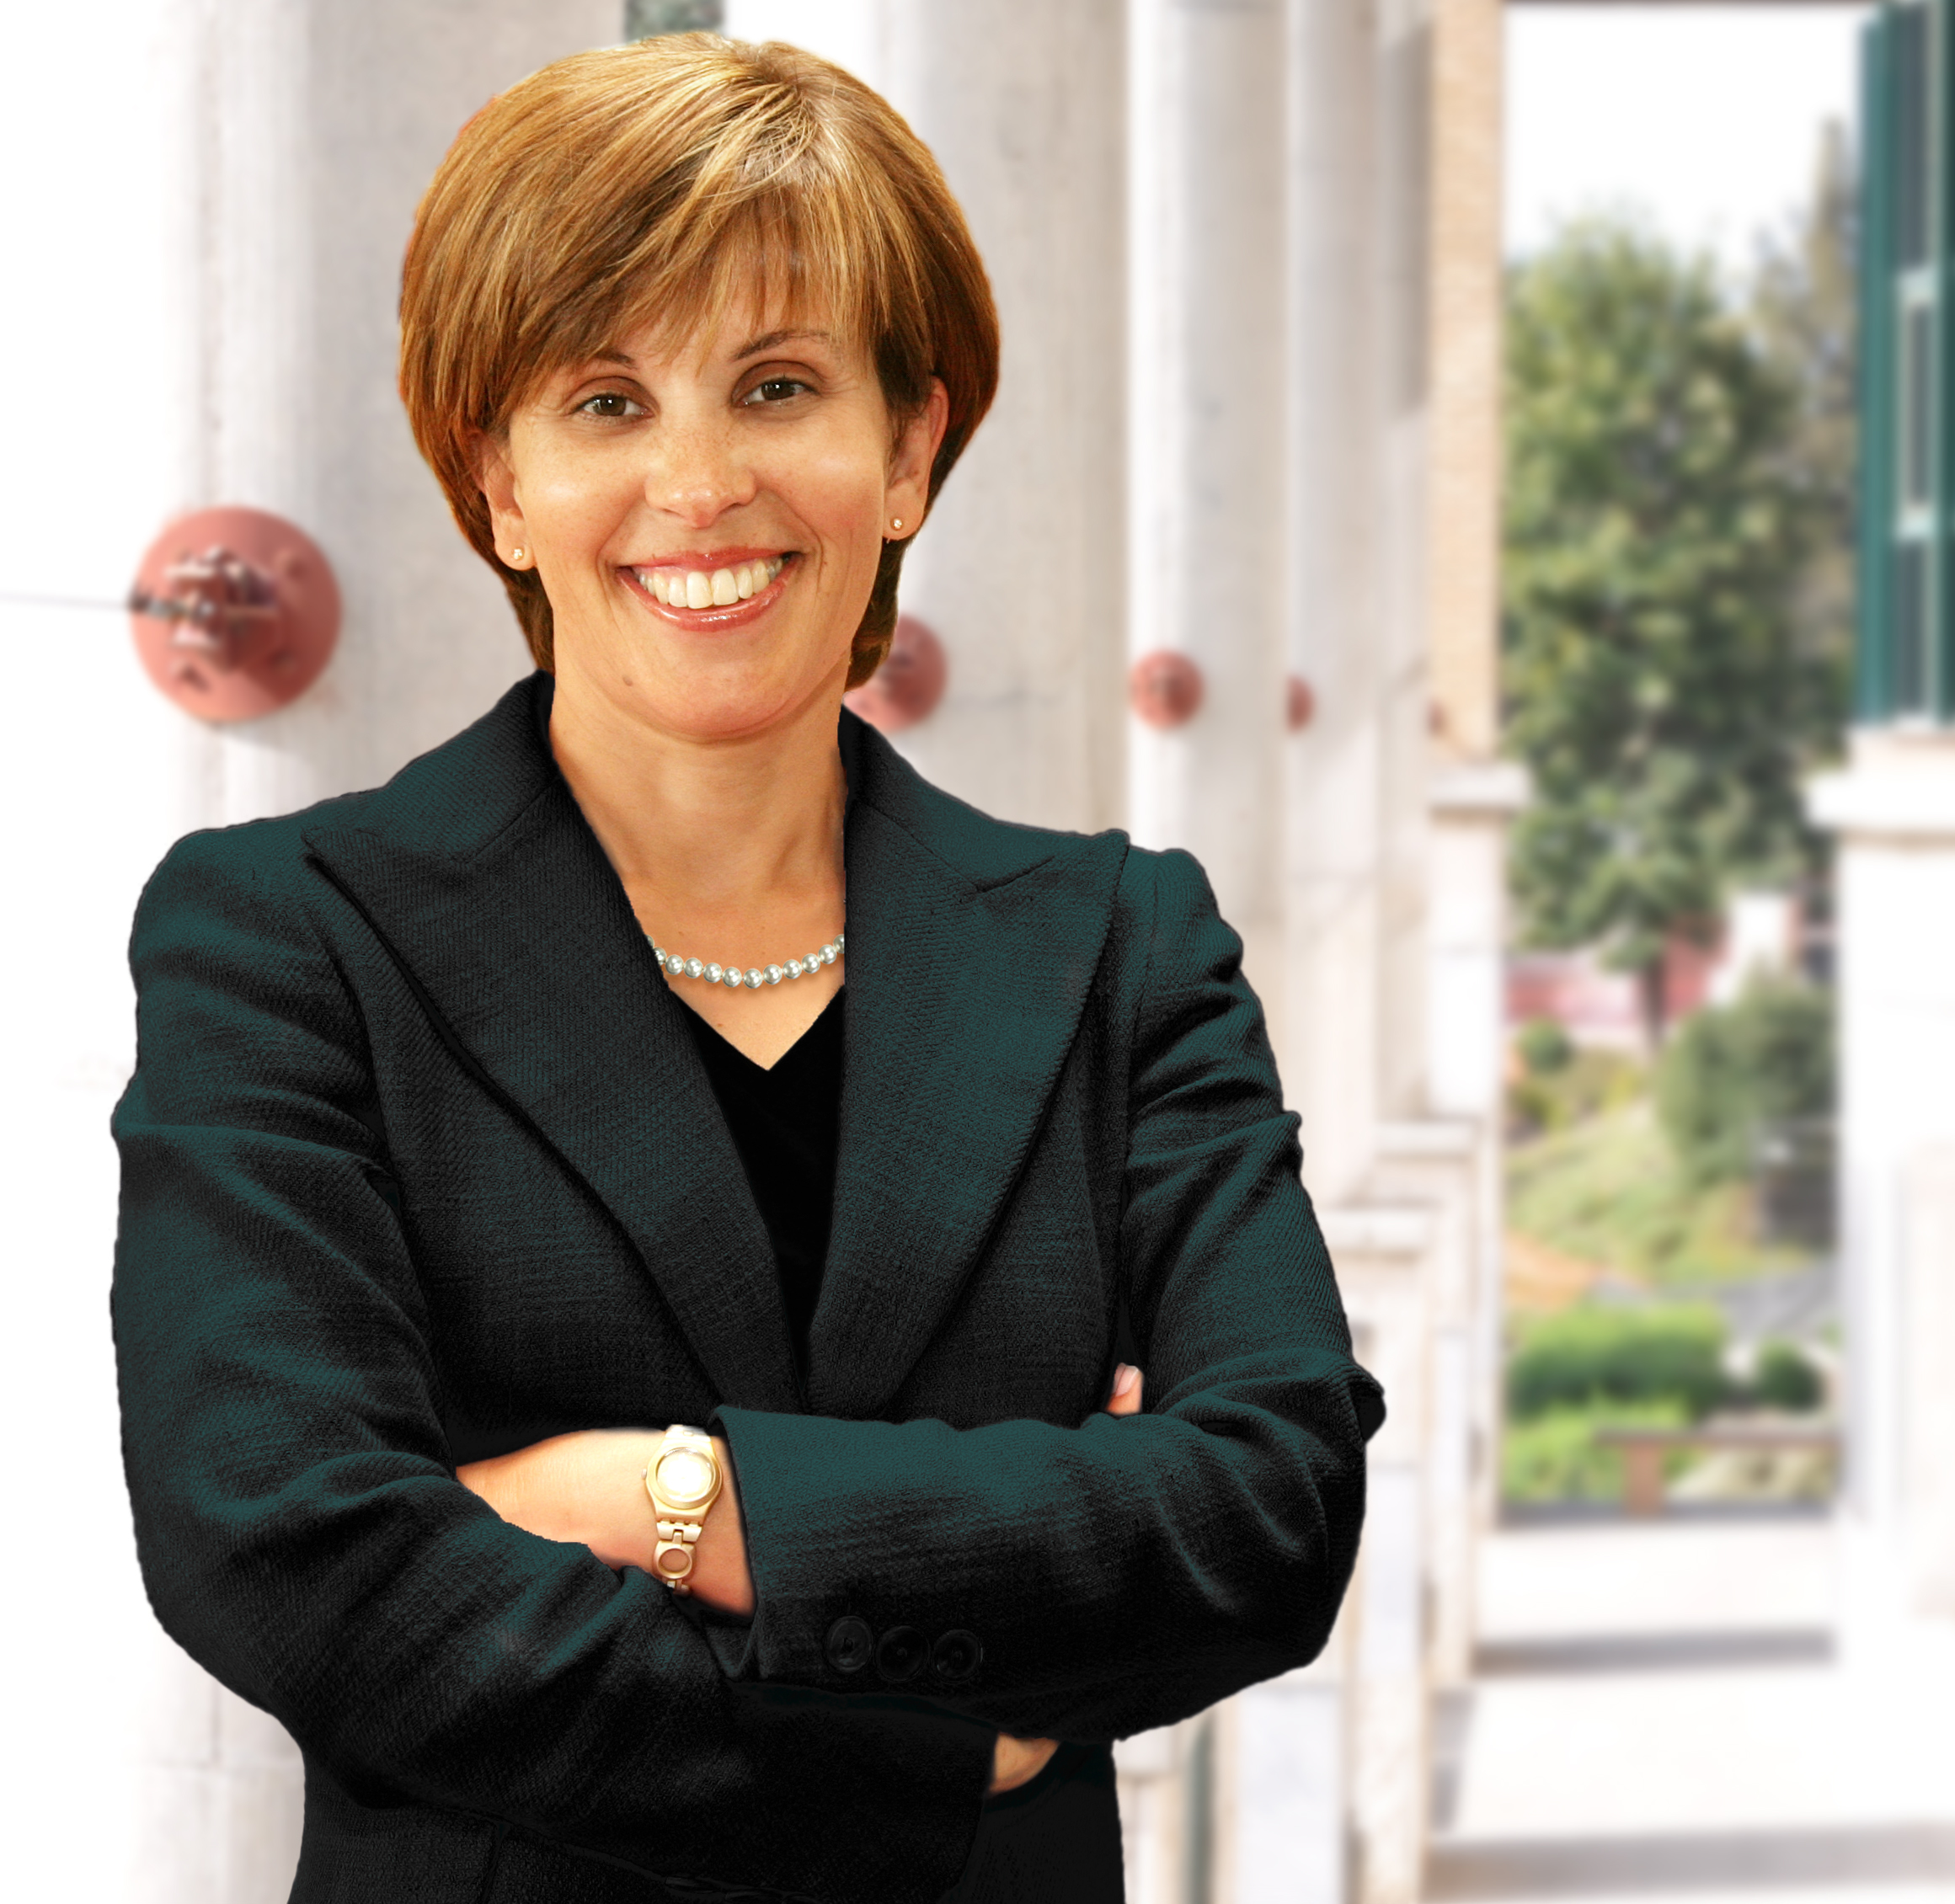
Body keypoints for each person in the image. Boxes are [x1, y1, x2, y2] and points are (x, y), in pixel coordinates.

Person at [111, 35, 1381, 1904]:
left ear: (910, 451)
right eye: (605, 402)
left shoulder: (1124, 946)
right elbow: (289, 1556)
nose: (699, 482)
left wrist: (667, 1502)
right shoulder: (288, 935)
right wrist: (938, 1746)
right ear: (499, 482)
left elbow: (1269, 1503)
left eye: (777, 385)